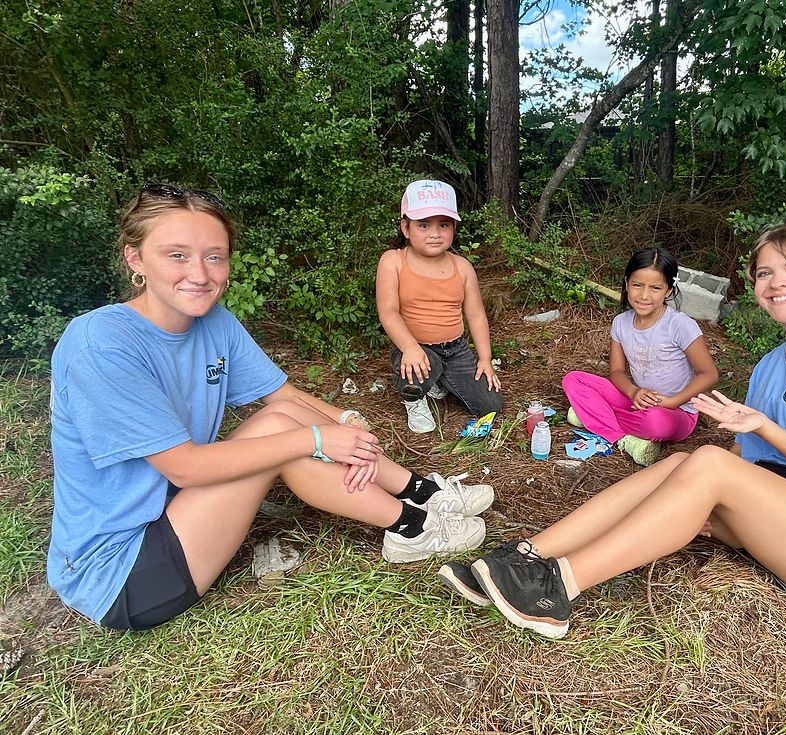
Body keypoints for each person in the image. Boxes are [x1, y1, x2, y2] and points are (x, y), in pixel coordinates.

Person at [48, 183, 494, 632]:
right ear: (135, 259)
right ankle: (415, 527)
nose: (200, 274)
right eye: (176, 255)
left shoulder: (213, 321)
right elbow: (184, 467)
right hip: (123, 575)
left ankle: (419, 494)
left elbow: (281, 396)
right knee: (281, 435)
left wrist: (344, 422)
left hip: (177, 515)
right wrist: (319, 438)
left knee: (280, 423)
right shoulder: (101, 344)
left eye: (214, 256)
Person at [439, 223, 786, 639]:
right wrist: (699, 502)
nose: (778, 282)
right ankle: (526, 555)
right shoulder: (770, 366)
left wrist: (764, 428)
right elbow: (755, 468)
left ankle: (557, 587)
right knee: (682, 465)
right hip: (785, 515)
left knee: (705, 463)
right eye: (765, 273)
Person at [562, 247, 719, 466]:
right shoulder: (621, 323)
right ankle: (624, 438)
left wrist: (673, 402)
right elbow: (616, 372)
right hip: (636, 399)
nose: (644, 295)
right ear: (627, 284)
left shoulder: (680, 325)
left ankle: (595, 417)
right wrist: (634, 391)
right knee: (573, 379)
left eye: (655, 288)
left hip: (675, 412)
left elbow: (709, 374)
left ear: (669, 291)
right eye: (637, 285)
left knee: (655, 423)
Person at [376, 180, 502, 434]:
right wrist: (410, 348)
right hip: (415, 345)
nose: (435, 233)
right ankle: (415, 398)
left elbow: (476, 316)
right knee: (415, 366)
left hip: (455, 349)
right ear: (406, 227)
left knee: (491, 405)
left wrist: (485, 359)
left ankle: (438, 377)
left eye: (443, 225)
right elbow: (388, 311)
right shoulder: (393, 261)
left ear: (453, 227)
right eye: (423, 225)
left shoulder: (462, 267)